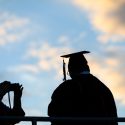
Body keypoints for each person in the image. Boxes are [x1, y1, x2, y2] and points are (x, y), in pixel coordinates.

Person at [48, 51, 118, 125]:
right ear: (87, 68)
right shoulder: (103, 89)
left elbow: (52, 112)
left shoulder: (65, 88)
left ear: (71, 69)